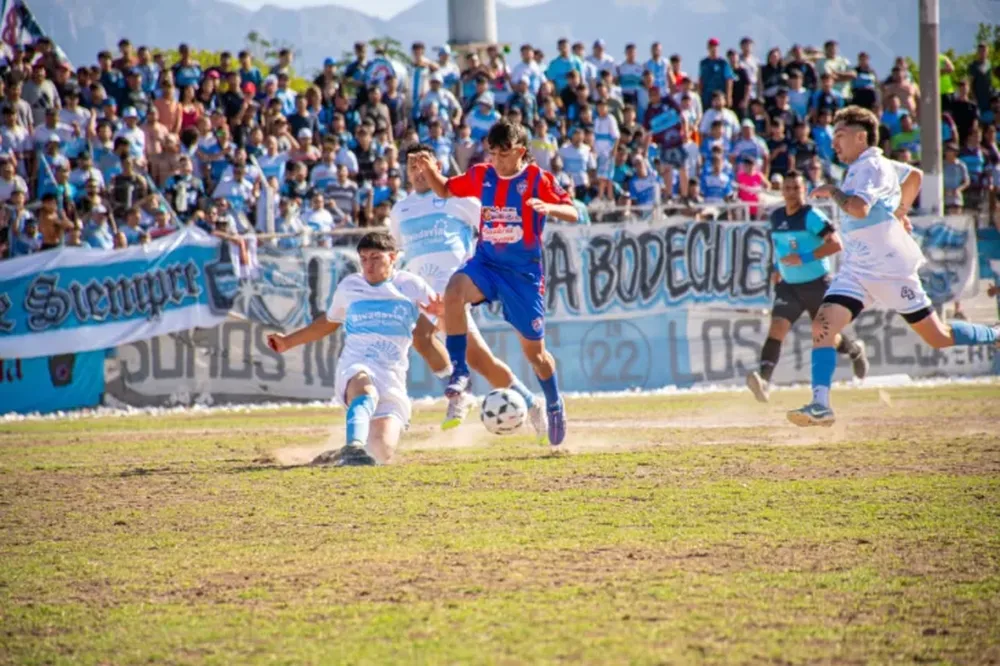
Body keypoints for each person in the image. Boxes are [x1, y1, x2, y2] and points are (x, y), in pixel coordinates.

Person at [788, 106, 999, 427]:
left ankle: (993, 333)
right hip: (858, 268)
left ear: (861, 137)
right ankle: (820, 405)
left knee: (939, 336)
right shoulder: (876, 163)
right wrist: (900, 212)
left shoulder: (869, 167)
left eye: (840, 137)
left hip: (889, 270)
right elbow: (913, 176)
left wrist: (832, 191)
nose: (835, 145)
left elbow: (858, 208)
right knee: (823, 325)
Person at [412, 119, 579, 447]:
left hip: (522, 276)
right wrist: (430, 169)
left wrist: (550, 207)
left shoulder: (537, 179)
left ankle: (554, 403)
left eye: (503, 155)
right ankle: (460, 372)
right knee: (454, 291)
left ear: (519, 152)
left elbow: (574, 211)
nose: (496, 162)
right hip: (486, 264)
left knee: (536, 355)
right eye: (492, 154)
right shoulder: (482, 175)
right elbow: (446, 189)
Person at [388, 144, 547, 437]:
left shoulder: (457, 198)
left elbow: (493, 225)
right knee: (459, 353)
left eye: (423, 164)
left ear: (435, 165)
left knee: (467, 356)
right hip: (423, 294)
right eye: (412, 166)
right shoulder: (401, 210)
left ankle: (523, 404)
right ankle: (477, 393)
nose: (418, 171)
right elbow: (397, 250)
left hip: (454, 291)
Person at [266, 231, 438, 467]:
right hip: (357, 364)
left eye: (375, 257)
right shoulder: (350, 286)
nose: (368, 265)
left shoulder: (411, 286)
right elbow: (328, 322)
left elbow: (445, 321)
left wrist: (444, 313)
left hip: (392, 376)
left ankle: (339, 455)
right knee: (365, 391)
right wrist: (288, 342)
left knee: (381, 452)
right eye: (364, 259)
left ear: (393, 257)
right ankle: (353, 447)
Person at [745, 170, 868, 402]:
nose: (792, 193)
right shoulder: (776, 217)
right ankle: (764, 380)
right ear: (782, 191)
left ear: (805, 191)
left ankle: (854, 350)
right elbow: (780, 246)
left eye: (797, 188)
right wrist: (776, 269)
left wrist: (804, 257)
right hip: (789, 285)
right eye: (788, 188)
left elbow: (835, 244)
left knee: (826, 335)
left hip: (816, 284)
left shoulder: (812, 216)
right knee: (777, 328)